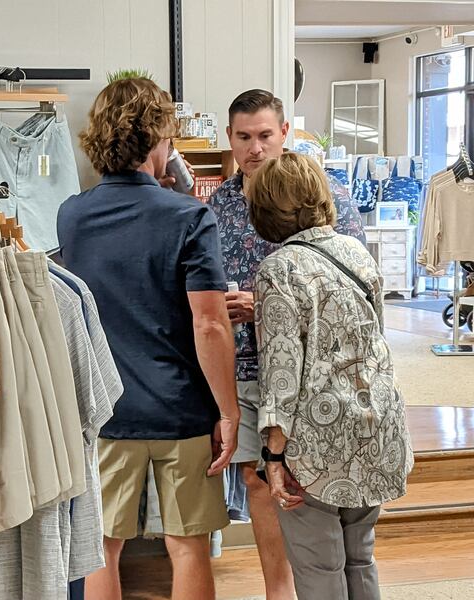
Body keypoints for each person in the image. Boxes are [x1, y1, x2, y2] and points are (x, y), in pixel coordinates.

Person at [57, 77, 239, 600]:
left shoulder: (73, 214)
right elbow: (208, 323)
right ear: (160, 137)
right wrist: (227, 411)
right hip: (179, 407)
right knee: (187, 545)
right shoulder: (190, 216)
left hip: (106, 408)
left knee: (102, 546)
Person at [207, 88, 366, 599]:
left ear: (285, 134)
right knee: (258, 479)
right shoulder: (218, 205)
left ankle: (320, 583)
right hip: (247, 366)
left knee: (307, 482)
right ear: (229, 139)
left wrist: (268, 305)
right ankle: (280, 590)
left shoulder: (330, 197)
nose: (254, 148)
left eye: (264, 135)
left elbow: (358, 293)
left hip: (320, 370)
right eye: (243, 137)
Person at [247, 152, 413, 599]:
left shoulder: (278, 270)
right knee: (360, 557)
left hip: (316, 441)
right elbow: (375, 336)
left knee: (320, 567)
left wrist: (274, 457)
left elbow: (281, 373)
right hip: (376, 425)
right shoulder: (357, 252)